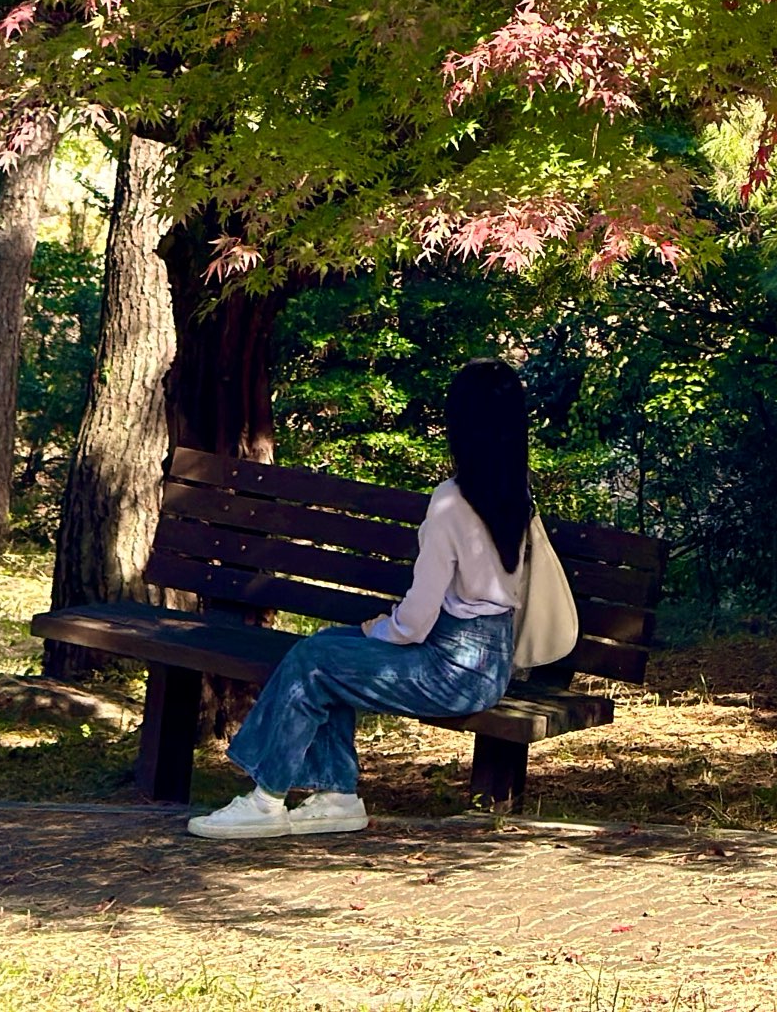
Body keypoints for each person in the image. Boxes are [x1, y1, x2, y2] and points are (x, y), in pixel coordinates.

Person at [189, 359, 534, 838]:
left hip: (449, 669)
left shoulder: (452, 501)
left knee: (316, 658)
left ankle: (265, 799)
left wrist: (380, 630)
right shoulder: (514, 492)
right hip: (489, 665)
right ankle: (337, 796)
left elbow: (415, 622)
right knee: (332, 648)